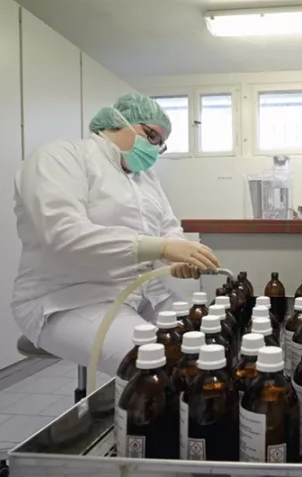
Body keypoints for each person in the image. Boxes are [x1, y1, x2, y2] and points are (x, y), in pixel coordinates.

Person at [12, 93, 220, 375]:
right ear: (117, 121)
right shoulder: (60, 156)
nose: (154, 148)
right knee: (159, 366)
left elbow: (167, 228)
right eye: (151, 135)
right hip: (70, 299)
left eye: (160, 143)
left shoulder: (146, 177)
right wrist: (161, 248)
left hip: (145, 294)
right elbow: (63, 234)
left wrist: (180, 255)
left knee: (211, 348)